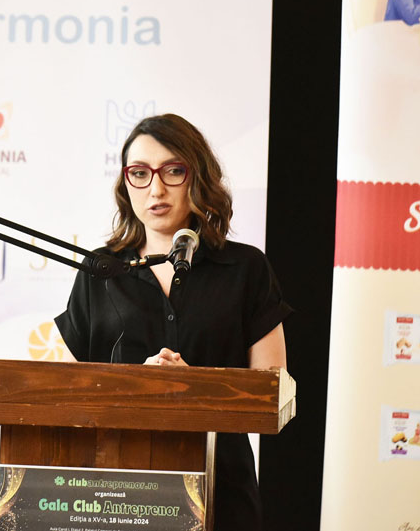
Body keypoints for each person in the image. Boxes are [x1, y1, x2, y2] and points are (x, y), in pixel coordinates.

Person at [55, 114, 291, 531]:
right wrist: (136, 387)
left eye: (173, 171)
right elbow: (66, 395)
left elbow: (272, 393)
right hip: (117, 496)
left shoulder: (246, 269)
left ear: (197, 176)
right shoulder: (101, 270)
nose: (156, 189)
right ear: (126, 184)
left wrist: (193, 389)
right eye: (140, 173)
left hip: (222, 494)